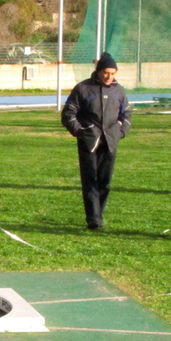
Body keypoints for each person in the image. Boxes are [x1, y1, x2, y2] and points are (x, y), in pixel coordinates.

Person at [62, 52, 131, 229]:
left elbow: (127, 114)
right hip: (89, 142)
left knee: (105, 180)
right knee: (90, 179)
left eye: (113, 73)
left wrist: (120, 132)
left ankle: (99, 213)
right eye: (106, 72)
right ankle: (93, 218)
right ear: (98, 71)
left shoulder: (119, 91)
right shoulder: (83, 89)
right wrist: (80, 131)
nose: (109, 77)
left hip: (111, 141)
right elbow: (69, 113)